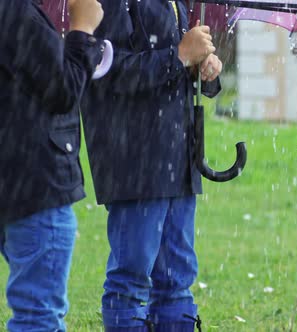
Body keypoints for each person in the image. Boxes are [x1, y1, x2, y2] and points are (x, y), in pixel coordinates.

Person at [80, 1, 222, 331]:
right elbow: (106, 71)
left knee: (176, 281)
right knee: (130, 280)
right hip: (135, 163)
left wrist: (204, 66)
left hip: (178, 159)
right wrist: (180, 56)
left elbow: (176, 67)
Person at [0, 0, 104, 330]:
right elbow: (62, 89)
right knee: (38, 316)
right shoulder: (14, 11)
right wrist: (83, 30)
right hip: (36, 186)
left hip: (15, 184)